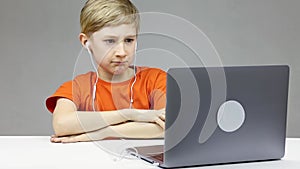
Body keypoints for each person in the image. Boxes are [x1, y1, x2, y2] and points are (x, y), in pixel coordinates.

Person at [45, 0, 166, 143]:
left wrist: (103, 132)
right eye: (110, 41)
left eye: (128, 40)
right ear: (86, 42)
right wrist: (129, 115)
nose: (122, 52)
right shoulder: (78, 87)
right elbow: (62, 125)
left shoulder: (156, 79)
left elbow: (170, 127)